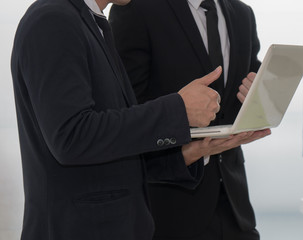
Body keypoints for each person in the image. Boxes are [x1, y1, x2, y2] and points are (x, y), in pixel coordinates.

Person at [10, 0, 270, 239]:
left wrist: (188, 154)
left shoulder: (92, 23)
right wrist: (178, 110)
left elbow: (117, 143)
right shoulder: (52, 20)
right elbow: (71, 137)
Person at [109, 0, 270, 239]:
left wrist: (260, 101)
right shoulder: (137, 8)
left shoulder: (242, 14)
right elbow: (126, 113)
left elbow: (240, 99)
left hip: (236, 210)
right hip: (168, 209)